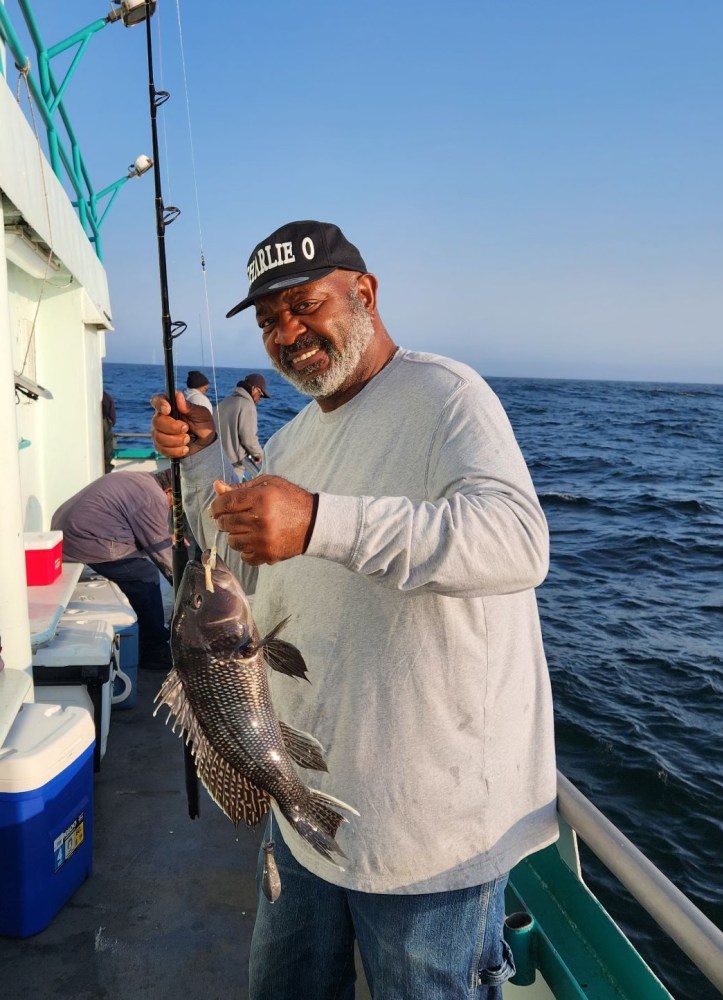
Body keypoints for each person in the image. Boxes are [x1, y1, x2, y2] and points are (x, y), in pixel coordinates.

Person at [151, 220, 558, 1000]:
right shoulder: (298, 436)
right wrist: (204, 460)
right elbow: (230, 566)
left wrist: (320, 521)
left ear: (364, 294)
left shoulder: (445, 395)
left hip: (426, 840)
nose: (288, 332)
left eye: (306, 305)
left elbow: (517, 541)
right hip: (300, 802)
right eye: (270, 320)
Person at [51, 469, 174, 671]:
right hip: (84, 541)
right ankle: (153, 649)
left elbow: (146, 532)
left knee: (140, 566)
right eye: (175, 503)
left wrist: (166, 540)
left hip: (66, 536)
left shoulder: (140, 479)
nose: (173, 509)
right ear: (169, 490)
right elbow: (164, 558)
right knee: (145, 575)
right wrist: (188, 588)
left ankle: (143, 632)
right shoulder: (155, 497)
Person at [213, 373, 269, 478]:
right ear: (254, 389)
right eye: (261, 395)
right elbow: (249, 439)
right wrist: (259, 455)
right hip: (233, 467)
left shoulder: (224, 402)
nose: (260, 399)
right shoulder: (247, 405)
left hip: (215, 463)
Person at [102, 390, 117, 473]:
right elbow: (112, 416)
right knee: (107, 453)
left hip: (102, 423)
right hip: (105, 424)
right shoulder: (106, 396)